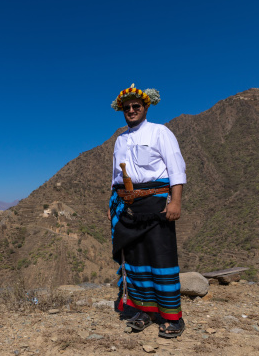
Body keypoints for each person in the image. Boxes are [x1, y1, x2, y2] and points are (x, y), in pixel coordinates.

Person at [107, 84, 186, 338]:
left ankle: (172, 317)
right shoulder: (120, 139)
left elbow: (176, 168)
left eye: (136, 106)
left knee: (160, 257)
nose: (131, 110)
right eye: (127, 107)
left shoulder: (160, 132)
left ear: (145, 107)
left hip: (156, 203)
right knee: (136, 259)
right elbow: (116, 177)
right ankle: (143, 311)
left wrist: (175, 202)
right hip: (127, 207)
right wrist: (111, 205)